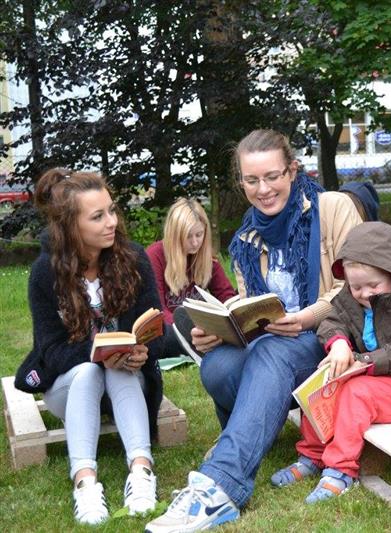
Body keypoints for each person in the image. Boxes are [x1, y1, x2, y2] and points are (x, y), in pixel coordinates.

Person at [146, 129, 361, 532]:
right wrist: (222, 331)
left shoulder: (333, 208)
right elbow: (250, 306)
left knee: (270, 352)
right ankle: (246, 432)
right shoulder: (247, 236)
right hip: (274, 340)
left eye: (272, 176)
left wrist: (305, 317)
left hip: (329, 337)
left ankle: (221, 484)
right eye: (251, 180)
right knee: (217, 365)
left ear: (292, 170)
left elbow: (354, 285)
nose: (263, 189)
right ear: (241, 182)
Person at [15, 168, 163, 525]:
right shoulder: (46, 273)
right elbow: (51, 351)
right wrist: (98, 354)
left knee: (120, 370)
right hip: (71, 389)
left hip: (126, 386)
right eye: (97, 216)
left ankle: (141, 472)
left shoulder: (133, 259)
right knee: (88, 371)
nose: (111, 222)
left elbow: (154, 329)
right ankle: (85, 482)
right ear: (70, 226)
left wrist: (143, 351)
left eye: (111, 211)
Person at [269, 222, 391, 503]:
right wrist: (338, 344)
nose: (364, 293)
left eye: (373, 286)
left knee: (357, 392)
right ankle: (312, 456)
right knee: (324, 381)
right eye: (356, 287)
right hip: (373, 378)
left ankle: (341, 470)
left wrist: (364, 361)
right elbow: (331, 321)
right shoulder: (349, 299)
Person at [146, 198, 236, 361]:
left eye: (199, 235)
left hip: (200, 329)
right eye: (188, 236)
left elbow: (226, 296)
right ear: (175, 235)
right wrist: (190, 330)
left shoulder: (206, 258)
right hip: (169, 329)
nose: (195, 242)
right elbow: (157, 309)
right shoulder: (155, 256)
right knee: (164, 335)